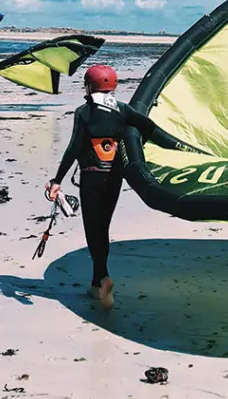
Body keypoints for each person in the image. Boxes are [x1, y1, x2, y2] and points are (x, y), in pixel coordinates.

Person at [44, 64, 158, 311]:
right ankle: (97, 283)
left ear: (89, 85)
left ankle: (103, 278)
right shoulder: (123, 109)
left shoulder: (84, 112)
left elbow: (74, 148)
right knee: (103, 227)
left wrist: (57, 180)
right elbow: (148, 127)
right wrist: (134, 148)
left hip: (92, 176)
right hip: (115, 176)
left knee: (92, 229)